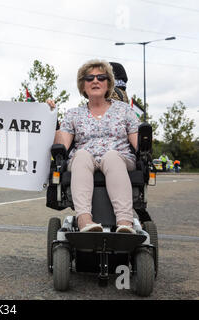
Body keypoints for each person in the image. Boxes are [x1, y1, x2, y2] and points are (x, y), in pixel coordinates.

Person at [50, 59, 140, 234]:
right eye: (89, 78)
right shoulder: (73, 114)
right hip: (85, 159)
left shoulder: (125, 110)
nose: (95, 81)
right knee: (81, 155)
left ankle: (124, 223)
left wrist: (146, 149)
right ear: (83, 86)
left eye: (101, 77)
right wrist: (51, 117)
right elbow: (61, 145)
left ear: (109, 84)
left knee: (111, 156)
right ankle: (85, 221)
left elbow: (139, 144)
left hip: (118, 157)